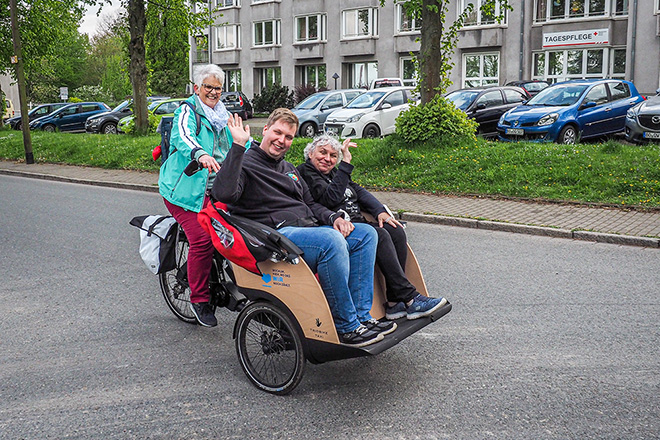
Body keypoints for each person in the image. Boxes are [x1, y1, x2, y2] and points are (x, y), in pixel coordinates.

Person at [211, 108, 395, 347]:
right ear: (265, 130)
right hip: (275, 236)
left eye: (288, 137)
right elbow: (223, 194)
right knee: (331, 241)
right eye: (277, 132)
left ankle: (361, 316)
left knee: (366, 234)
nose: (282, 140)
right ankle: (346, 326)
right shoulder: (245, 163)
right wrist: (237, 146)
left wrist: (333, 219)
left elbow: (309, 204)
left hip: (307, 230)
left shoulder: (289, 169)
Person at [297, 134, 447, 320]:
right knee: (381, 235)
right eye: (323, 153)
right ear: (310, 153)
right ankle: (410, 298)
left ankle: (394, 303)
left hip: (359, 222)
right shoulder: (306, 173)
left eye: (333, 155)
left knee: (395, 229)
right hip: (336, 228)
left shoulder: (335, 173)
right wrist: (345, 165)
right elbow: (330, 198)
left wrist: (379, 211)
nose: (328, 159)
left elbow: (358, 191)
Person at [158, 64, 238, 328]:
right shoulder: (187, 110)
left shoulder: (223, 116)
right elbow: (183, 135)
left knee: (241, 229)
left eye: (218, 88)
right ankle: (199, 298)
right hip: (184, 192)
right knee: (202, 240)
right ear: (197, 88)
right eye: (208, 87)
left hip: (216, 190)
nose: (214, 92)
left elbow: (241, 143)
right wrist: (199, 153)